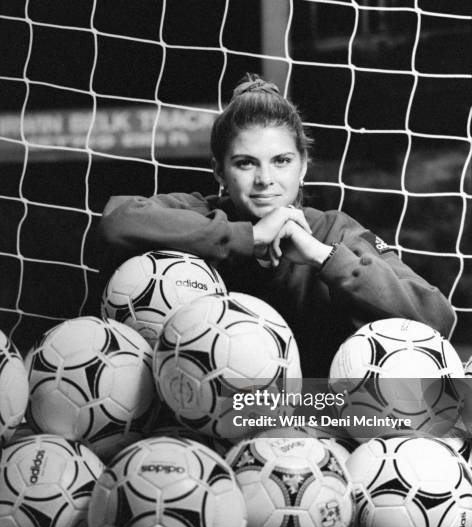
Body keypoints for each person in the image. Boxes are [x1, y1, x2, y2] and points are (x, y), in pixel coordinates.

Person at [98, 74, 455, 377]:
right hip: (205, 409)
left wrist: (323, 258)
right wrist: (248, 237)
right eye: (245, 163)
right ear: (219, 172)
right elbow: (118, 220)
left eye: (281, 161)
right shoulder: (201, 214)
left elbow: (436, 318)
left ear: (302, 168)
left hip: (319, 417)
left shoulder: (333, 232)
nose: (264, 179)